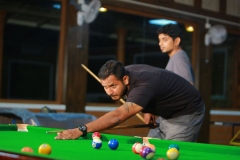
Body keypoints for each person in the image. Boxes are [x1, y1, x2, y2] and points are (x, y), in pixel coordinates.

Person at [55, 60, 205, 142]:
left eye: (112, 86)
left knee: (172, 153)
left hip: (186, 113)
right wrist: (147, 108)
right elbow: (150, 94)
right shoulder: (124, 74)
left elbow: (118, 116)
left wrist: (80, 130)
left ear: (125, 79)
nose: (109, 92)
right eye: (105, 87)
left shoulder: (143, 85)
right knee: (150, 150)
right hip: (166, 113)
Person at [148, 24, 195, 138]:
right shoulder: (175, 58)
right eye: (159, 40)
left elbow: (188, 88)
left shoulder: (179, 58)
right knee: (151, 142)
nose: (160, 43)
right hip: (170, 118)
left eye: (164, 39)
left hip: (178, 121)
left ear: (177, 40)